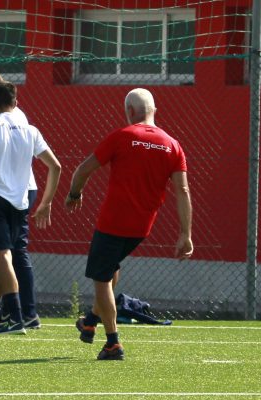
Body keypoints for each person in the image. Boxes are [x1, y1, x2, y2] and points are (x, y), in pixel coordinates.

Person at [65, 88, 193, 361]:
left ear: (129, 112)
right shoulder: (173, 145)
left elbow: (83, 169)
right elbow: (182, 192)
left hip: (112, 222)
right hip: (141, 228)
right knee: (111, 269)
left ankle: (113, 343)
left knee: (101, 279)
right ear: (154, 111)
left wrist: (74, 193)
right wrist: (186, 234)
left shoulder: (123, 136)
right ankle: (89, 321)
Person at [0, 81, 61, 334]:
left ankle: (17, 317)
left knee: (3, 257)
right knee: (3, 260)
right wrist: (46, 202)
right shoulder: (31, 130)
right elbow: (56, 167)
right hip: (21, 201)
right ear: (15, 103)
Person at [0, 70, 41, 329]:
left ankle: (22, 313)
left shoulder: (4, 118)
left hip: (12, 191)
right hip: (15, 190)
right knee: (3, 256)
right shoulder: (1, 117)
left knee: (9, 255)